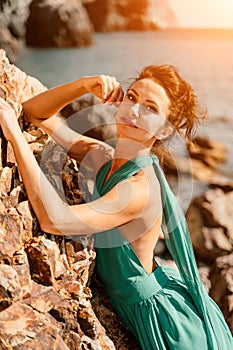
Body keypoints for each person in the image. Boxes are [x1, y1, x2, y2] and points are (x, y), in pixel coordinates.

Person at [0, 64, 232, 350]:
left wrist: (15, 136)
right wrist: (85, 84)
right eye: (132, 97)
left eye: (150, 109)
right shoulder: (103, 156)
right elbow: (36, 113)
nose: (134, 111)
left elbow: (53, 220)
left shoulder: (137, 190)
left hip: (162, 322)